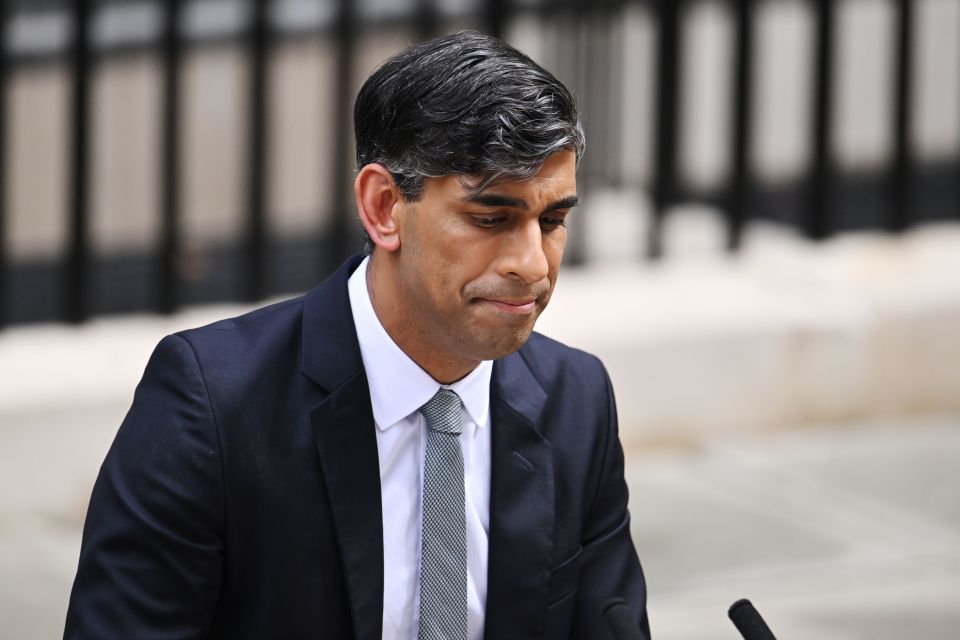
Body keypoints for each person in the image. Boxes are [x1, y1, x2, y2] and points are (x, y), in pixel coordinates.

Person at [64, 31, 649, 640]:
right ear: (382, 207)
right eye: (490, 218)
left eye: (552, 220)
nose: (531, 263)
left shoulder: (576, 399)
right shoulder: (213, 406)